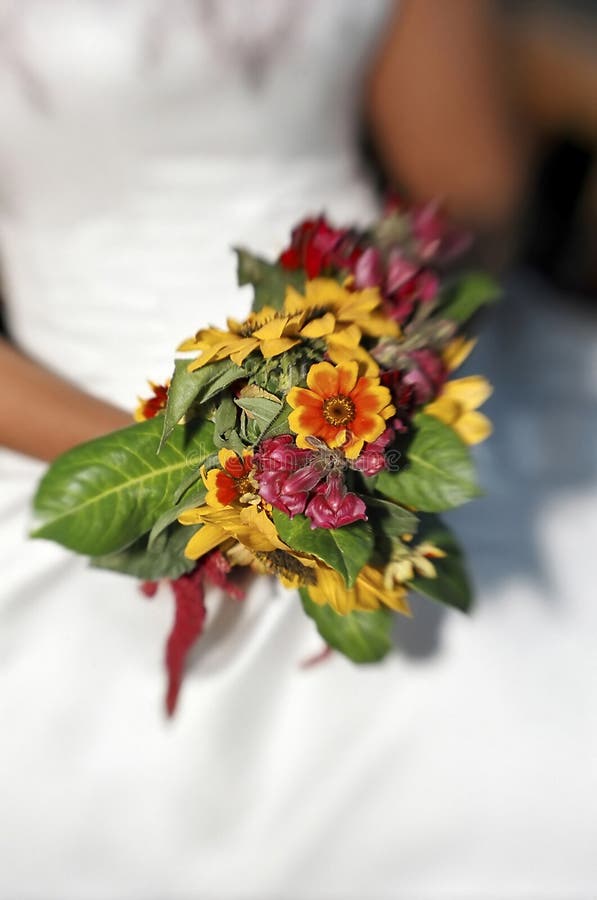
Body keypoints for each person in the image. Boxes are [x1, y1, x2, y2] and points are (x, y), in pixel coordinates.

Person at [1, 2, 596, 898]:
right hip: (61, 419)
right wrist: (195, 470)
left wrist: (396, 347)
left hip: (380, 373)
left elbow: (462, 177)